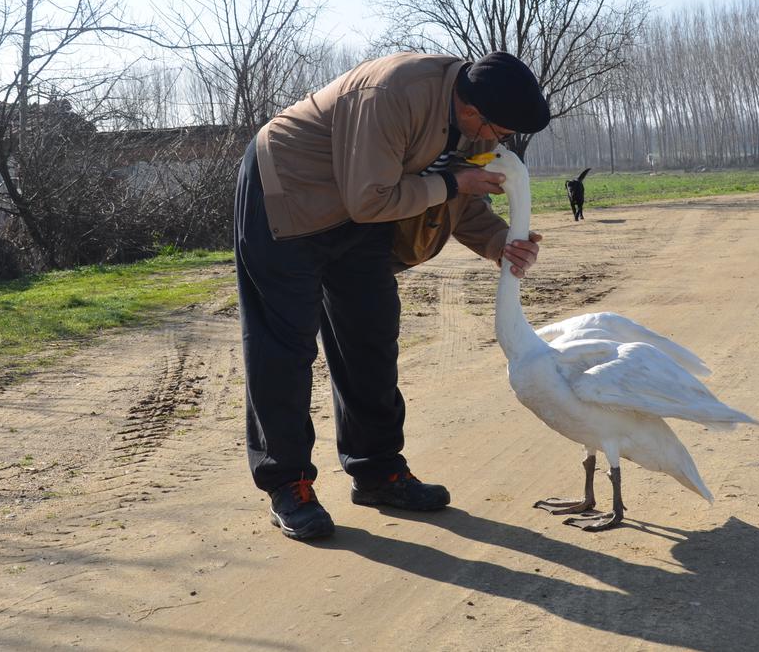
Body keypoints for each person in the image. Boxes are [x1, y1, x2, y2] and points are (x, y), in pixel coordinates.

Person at [234, 51, 551, 540]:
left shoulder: (472, 124)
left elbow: (456, 197)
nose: (500, 142)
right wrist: (452, 182)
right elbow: (378, 197)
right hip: (287, 194)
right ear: (472, 111)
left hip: (359, 211)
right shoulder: (392, 94)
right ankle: (288, 483)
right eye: (502, 132)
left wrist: (498, 243)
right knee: (287, 342)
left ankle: (378, 470)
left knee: (370, 334)